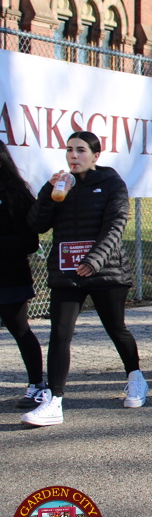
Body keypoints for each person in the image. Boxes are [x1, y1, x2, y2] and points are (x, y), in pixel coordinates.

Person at [24, 131, 148, 427]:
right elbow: (37, 224)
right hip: (67, 273)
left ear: (95, 156)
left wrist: (94, 260)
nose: (73, 155)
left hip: (106, 271)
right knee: (60, 332)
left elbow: (116, 224)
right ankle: (54, 400)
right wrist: (48, 192)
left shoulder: (111, 182)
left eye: (80, 150)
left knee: (115, 327)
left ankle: (136, 377)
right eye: (69, 150)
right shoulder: (61, 185)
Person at [0, 143, 44, 409]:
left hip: (9, 278)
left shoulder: (16, 194)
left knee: (19, 330)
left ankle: (37, 385)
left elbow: (29, 242)